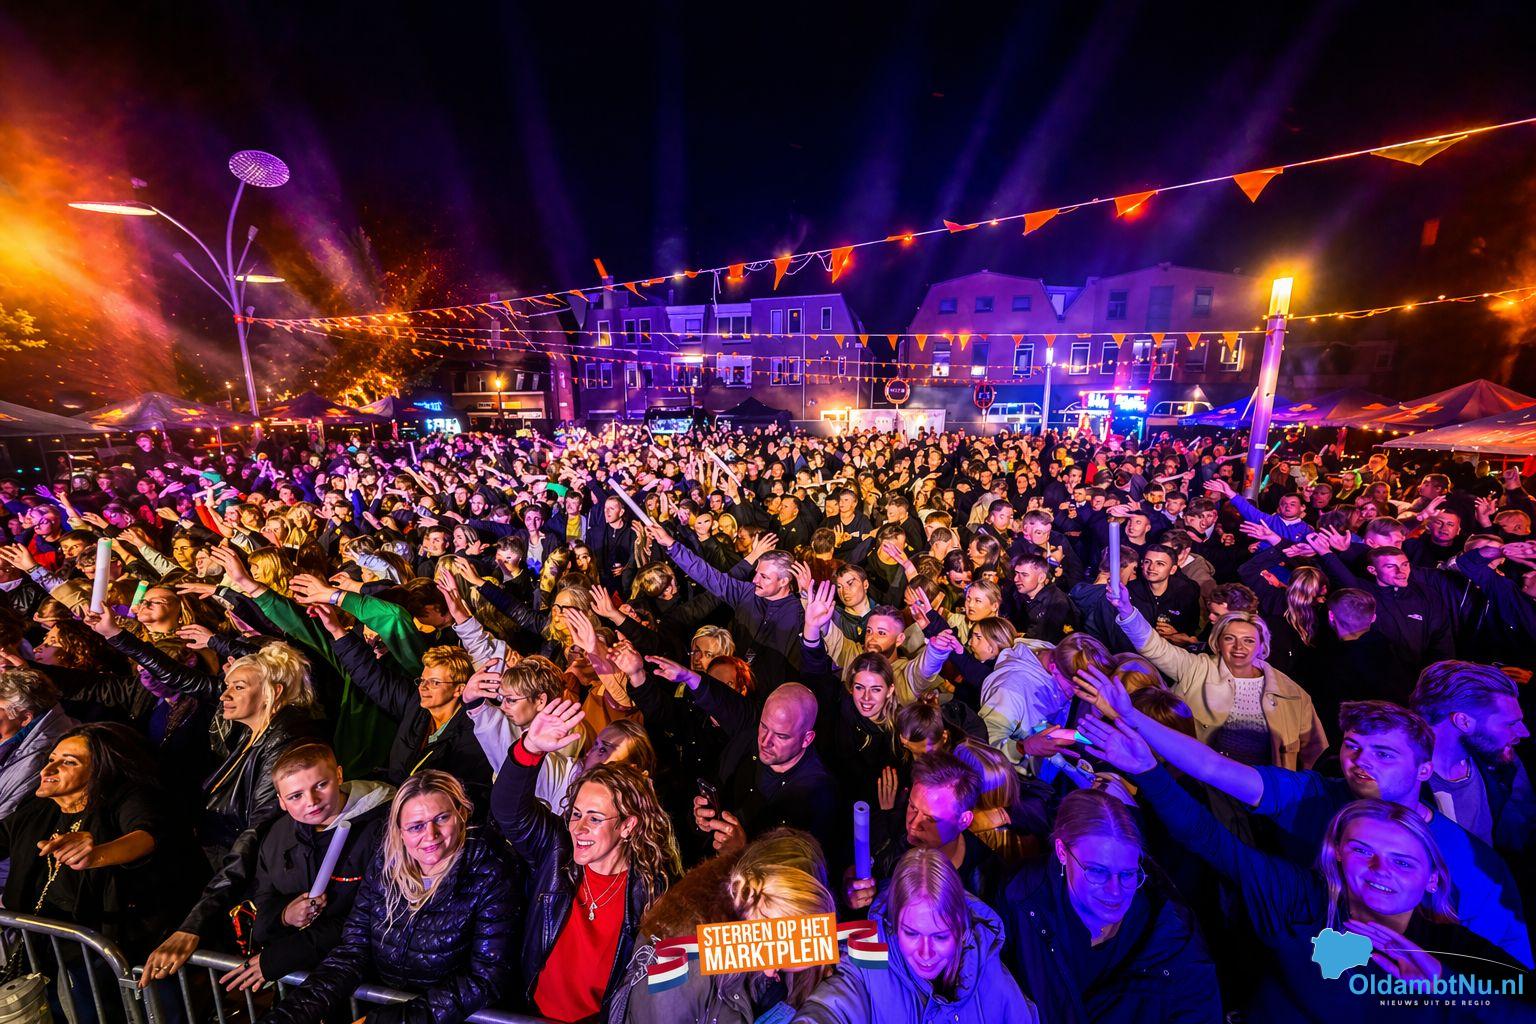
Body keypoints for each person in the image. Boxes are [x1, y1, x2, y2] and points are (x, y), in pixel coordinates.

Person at [258, 771, 519, 1024]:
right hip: (382, 1008)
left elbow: (486, 979)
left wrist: (390, 1020)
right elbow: (353, 951)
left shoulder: (489, 871)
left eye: (441, 819)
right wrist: (290, 1015)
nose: (430, 836)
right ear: (400, 830)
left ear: (461, 814)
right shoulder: (385, 864)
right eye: (416, 826)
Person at [140, 741, 395, 991]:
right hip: (300, 977)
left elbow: (372, 916)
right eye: (295, 796)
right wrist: (284, 915)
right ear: (281, 801)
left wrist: (279, 959)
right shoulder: (277, 836)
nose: (312, 801)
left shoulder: (382, 828)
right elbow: (262, 906)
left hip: (364, 977)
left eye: (321, 785)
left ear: (338, 775)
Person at [491, 698, 680, 1022]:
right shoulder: (557, 850)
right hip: (528, 1015)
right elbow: (508, 810)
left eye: (594, 818)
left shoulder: (652, 889)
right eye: (576, 813)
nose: (578, 828)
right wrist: (530, 748)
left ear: (627, 825)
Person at [1, 723, 206, 1020]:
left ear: (99, 771)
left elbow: (147, 835)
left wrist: (96, 853)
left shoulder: (129, 798)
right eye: (52, 759)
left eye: (69, 762)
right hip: (56, 950)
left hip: (122, 949)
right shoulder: (37, 808)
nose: (50, 768)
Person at [995, 787, 1219, 1023]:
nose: (1115, 891)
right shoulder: (1019, 903)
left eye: (1128, 874)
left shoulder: (1171, 929)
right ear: (1062, 852)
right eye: (1098, 872)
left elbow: (1199, 1007)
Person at [794, 848, 1038, 1024]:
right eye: (910, 933)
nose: (925, 953)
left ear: (961, 930)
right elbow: (833, 1004)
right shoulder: (868, 962)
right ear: (893, 924)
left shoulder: (996, 981)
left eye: (940, 937)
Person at [1106, 584, 1327, 770]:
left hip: (1259, 797)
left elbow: (1313, 755)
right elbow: (1155, 647)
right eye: (1230, 638)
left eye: (1249, 641)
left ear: (1262, 646)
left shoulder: (1292, 693)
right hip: (1199, 784)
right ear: (1218, 643)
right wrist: (1126, 609)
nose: (1239, 647)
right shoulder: (1196, 668)